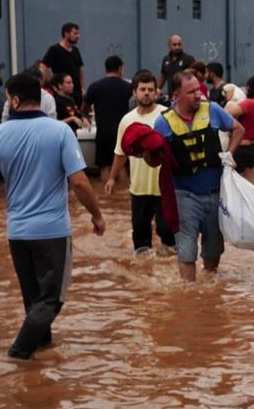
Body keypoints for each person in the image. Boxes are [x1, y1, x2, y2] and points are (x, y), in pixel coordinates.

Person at [0, 73, 105, 360]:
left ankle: (41, 355)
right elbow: (80, 182)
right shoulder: (59, 132)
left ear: (15, 100)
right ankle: (19, 354)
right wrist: (96, 215)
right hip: (53, 232)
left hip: (17, 233)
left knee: (34, 300)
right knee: (51, 301)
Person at [154, 71, 244, 281]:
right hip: (183, 195)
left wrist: (229, 154)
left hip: (215, 193)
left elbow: (238, 129)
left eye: (199, 89)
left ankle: (209, 286)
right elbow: (153, 161)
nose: (198, 95)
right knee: (186, 249)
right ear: (176, 96)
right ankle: (189, 293)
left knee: (213, 248)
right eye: (191, 91)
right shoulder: (163, 123)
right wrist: (148, 152)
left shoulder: (212, 110)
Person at [109, 72, 177, 255]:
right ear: (134, 93)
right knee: (140, 241)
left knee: (169, 238)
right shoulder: (127, 120)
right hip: (138, 189)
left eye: (150, 90)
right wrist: (112, 178)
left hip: (164, 188)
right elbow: (120, 152)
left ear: (156, 92)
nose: (146, 93)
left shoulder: (166, 116)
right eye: (142, 89)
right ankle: (143, 274)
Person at [85, 55, 132, 184]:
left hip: (103, 132)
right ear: (120, 69)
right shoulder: (128, 87)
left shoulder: (94, 87)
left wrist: (85, 118)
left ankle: (106, 197)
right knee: (121, 165)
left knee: (105, 166)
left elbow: (84, 107)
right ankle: (123, 199)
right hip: (122, 132)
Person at [225, 74, 254, 174]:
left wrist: (230, 101)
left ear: (248, 87)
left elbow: (226, 112)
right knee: (247, 185)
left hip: (241, 149)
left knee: (232, 182)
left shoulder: (250, 103)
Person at [42, 22, 85, 106]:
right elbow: (44, 66)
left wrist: (82, 87)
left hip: (76, 92)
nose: (78, 36)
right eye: (75, 33)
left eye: (78, 33)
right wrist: (52, 83)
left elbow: (80, 69)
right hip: (62, 94)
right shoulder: (54, 49)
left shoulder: (75, 50)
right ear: (66, 34)